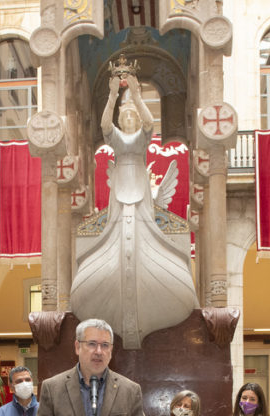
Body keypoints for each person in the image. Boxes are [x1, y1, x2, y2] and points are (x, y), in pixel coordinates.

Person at [70, 69, 197, 348]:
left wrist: (138, 96)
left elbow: (150, 123)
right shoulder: (115, 138)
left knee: (140, 218)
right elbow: (105, 125)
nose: (128, 119)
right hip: (121, 185)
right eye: (125, 116)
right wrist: (113, 95)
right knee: (120, 219)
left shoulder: (142, 137)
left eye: (131, 117)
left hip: (138, 181)